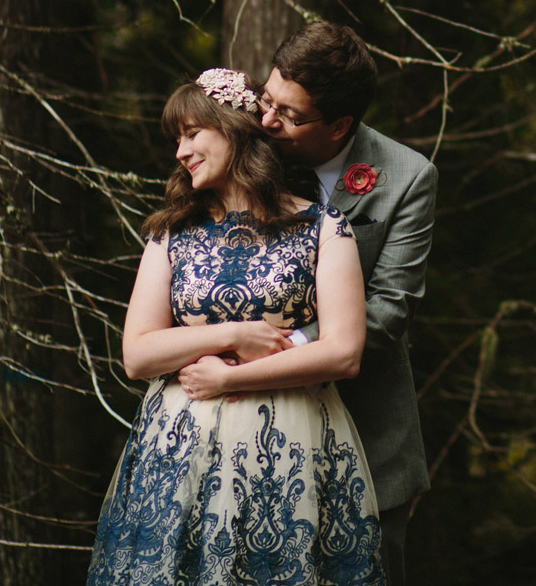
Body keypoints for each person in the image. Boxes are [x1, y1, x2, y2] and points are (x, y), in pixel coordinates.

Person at [87, 69, 385, 586]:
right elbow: (137, 355)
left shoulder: (324, 227)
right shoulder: (170, 234)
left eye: (191, 133)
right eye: (175, 139)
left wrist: (230, 379)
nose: (180, 151)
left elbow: (344, 354)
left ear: (232, 128)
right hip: (179, 453)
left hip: (292, 445)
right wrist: (233, 336)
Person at [256, 22, 436, 586]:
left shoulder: (408, 179)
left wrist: (291, 349)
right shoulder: (251, 152)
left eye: (289, 115)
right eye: (266, 100)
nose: (266, 122)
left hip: (368, 436)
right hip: (252, 437)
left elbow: (389, 307)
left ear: (340, 126)